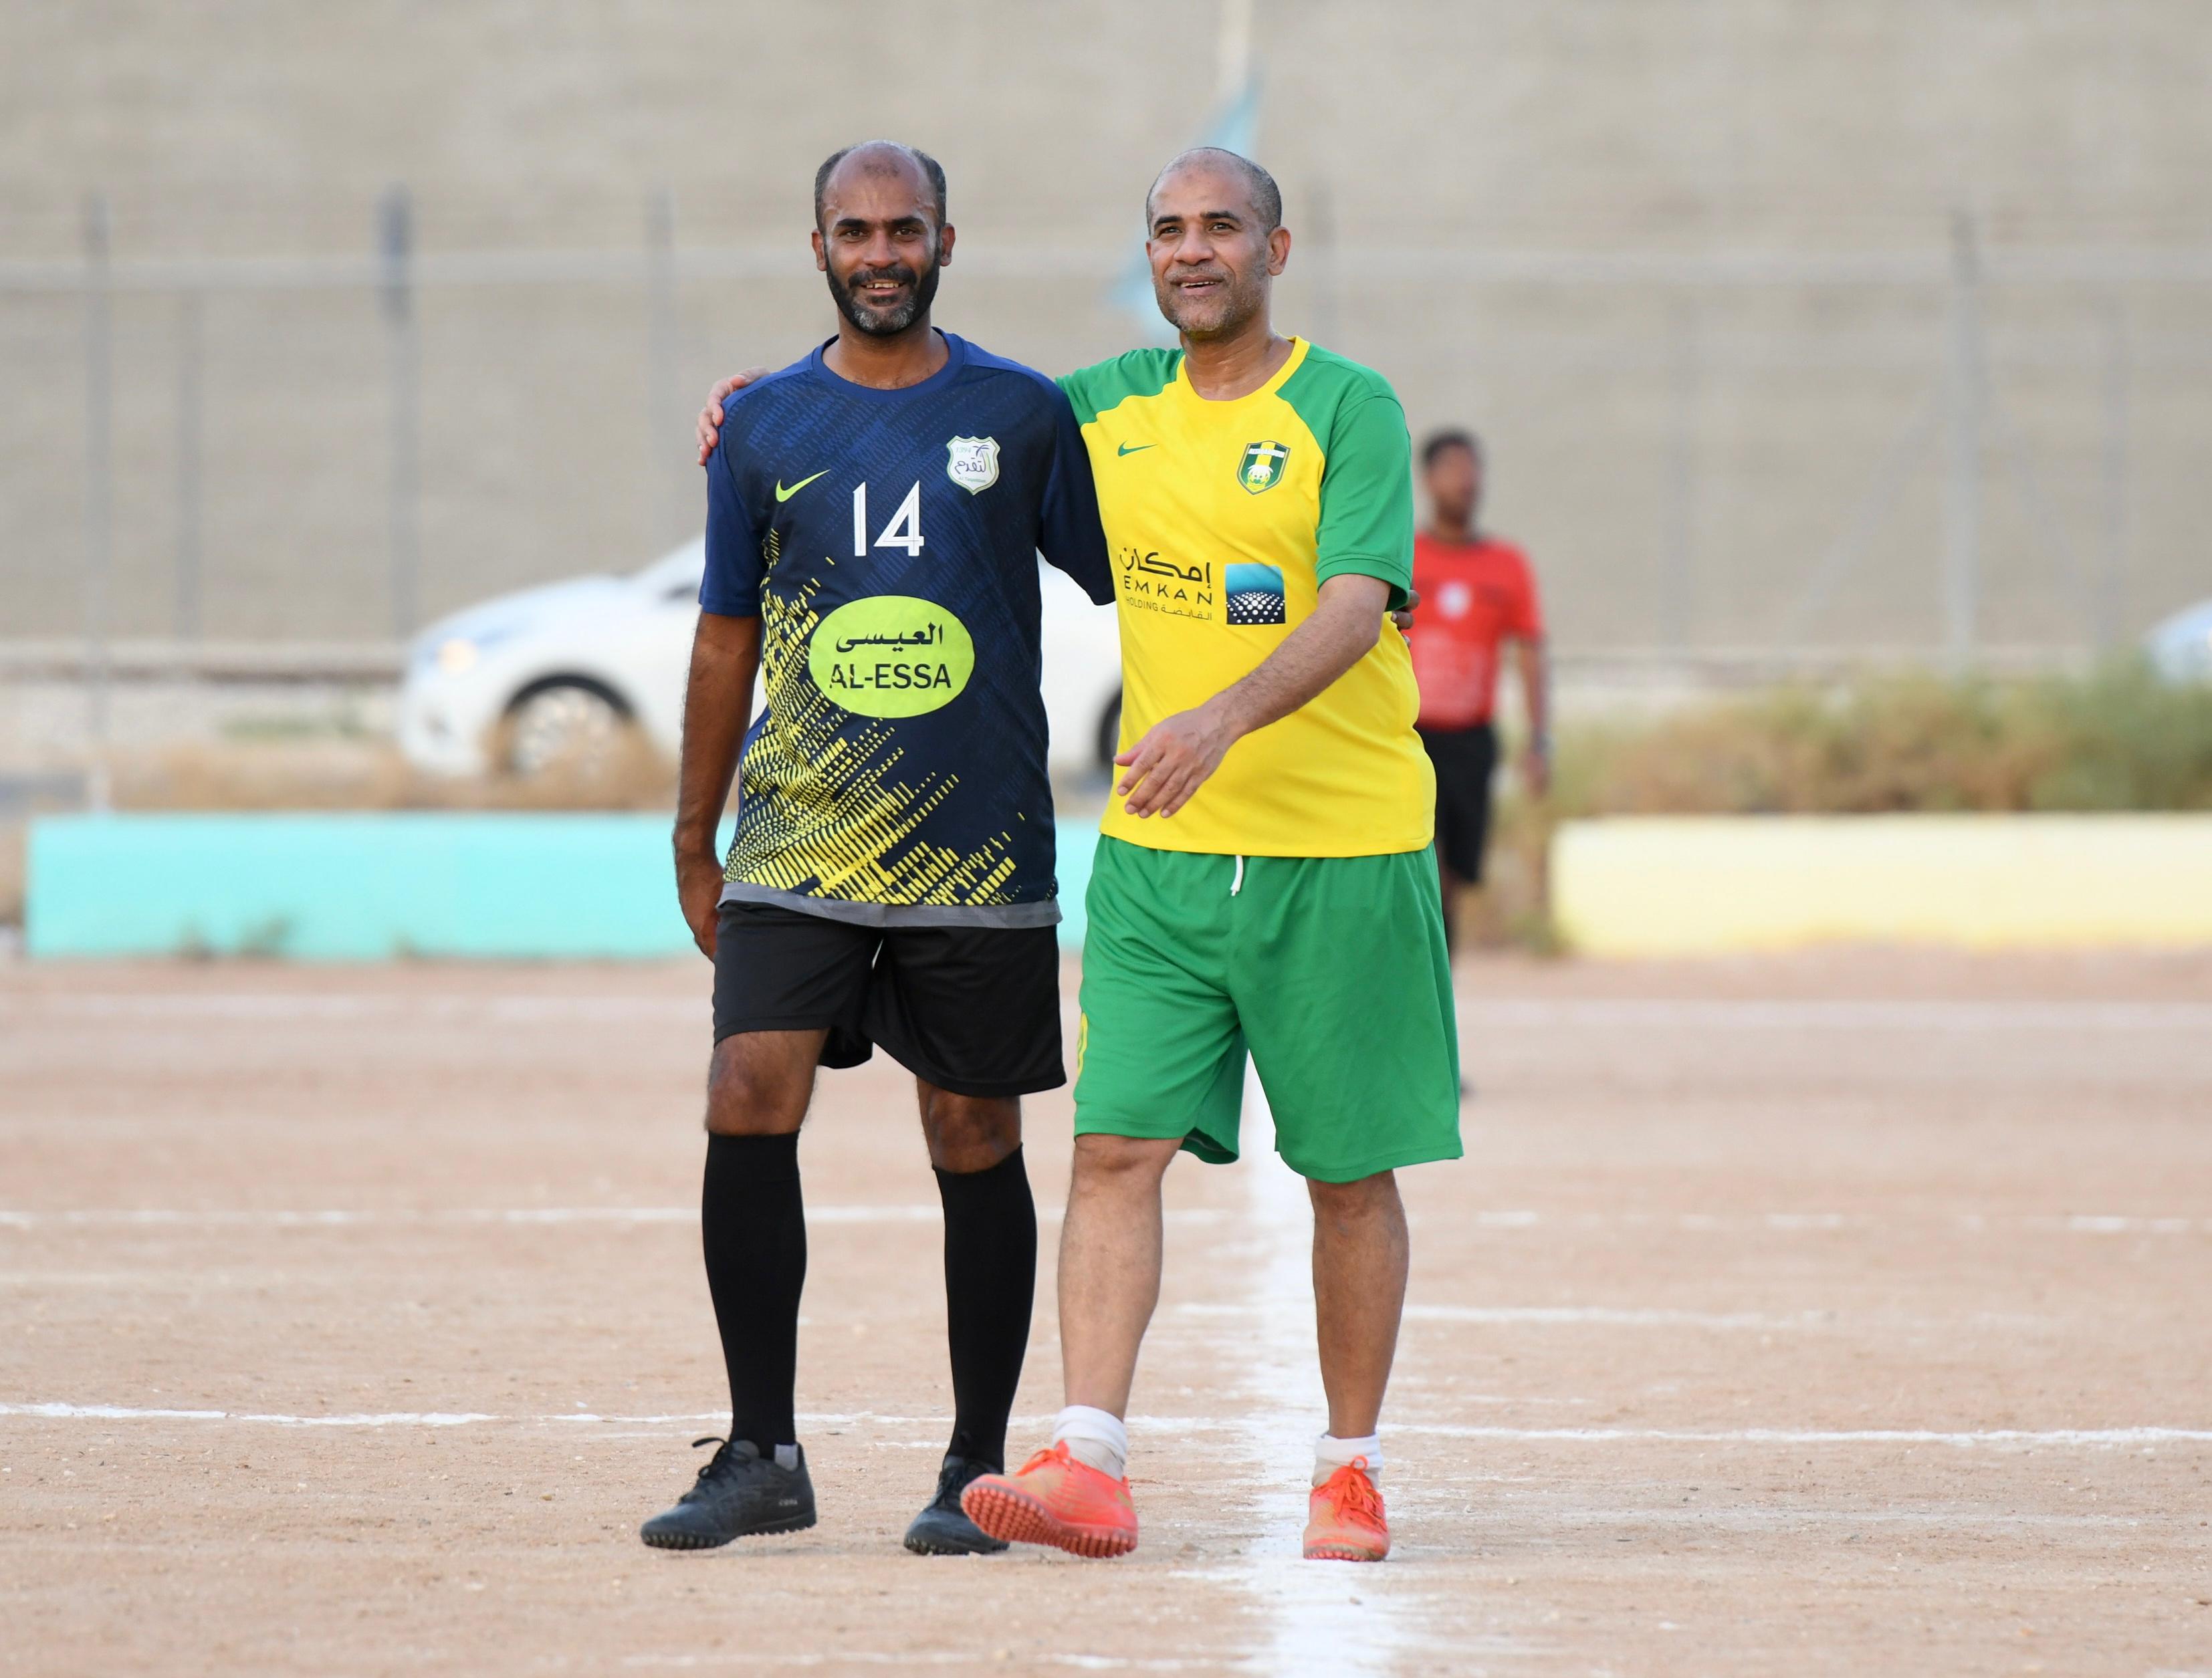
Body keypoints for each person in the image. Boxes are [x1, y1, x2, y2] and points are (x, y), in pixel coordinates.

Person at [699, 147, 1456, 1567]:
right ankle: (1087, 1462)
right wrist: (769, 403)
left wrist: (1219, 717)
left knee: (1347, 1175)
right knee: (1110, 1153)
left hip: (1340, 848)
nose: (1192, 250)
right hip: (1164, 862)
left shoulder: (1347, 405)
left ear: (1275, 250)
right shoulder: (1093, 409)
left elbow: (1356, 603)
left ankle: (1347, 1472)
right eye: (1168, 229)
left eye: (1220, 226)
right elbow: (930, 410)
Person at [643, 140, 1111, 1557]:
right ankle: (761, 1454)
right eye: (854, 232)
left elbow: (1132, 570)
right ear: (819, 250)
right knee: (745, 1090)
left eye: (904, 230)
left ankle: (972, 1464)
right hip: (799, 834)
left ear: (945, 243)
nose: (881, 254)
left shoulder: (1021, 414)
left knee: (972, 1130)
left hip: (975, 848)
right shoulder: (764, 423)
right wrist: (693, 833)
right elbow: (723, 636)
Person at [1407, 429, 1549, 952]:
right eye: (1453, 469)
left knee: (1456, 877)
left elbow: (1529, 651)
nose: (1466, 482)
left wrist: (1539, 740)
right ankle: (1424, 973)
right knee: (1426, 863)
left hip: (1471, 742)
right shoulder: (1403, 555)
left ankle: (1441, 971)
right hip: (1410, 736)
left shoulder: (1506, 565)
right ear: (1428, 480)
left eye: (1473, 469)